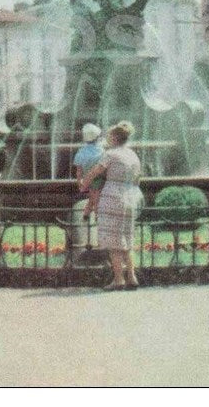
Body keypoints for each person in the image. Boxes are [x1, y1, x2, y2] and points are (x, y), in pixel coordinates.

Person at [80, 121, 142, 290]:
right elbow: (138, 178)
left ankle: (119, 280)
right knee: (126, 239)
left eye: (109, 136)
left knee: (113, 242)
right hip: (130, 196)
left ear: (114, 138)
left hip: (112, 196)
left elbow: (94, 172)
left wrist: (83, 185)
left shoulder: (110, 154)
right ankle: (132, 277)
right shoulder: (133, 155)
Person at [74, 123, 105, 220]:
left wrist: (79, 181)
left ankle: (86, 215)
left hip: (86, 178)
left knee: (92, 196)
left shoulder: (81, 151)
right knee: (97, 198)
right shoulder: (101, 150)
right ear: (97, 137)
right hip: (99, 178)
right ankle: (97, 216)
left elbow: (79, 170)